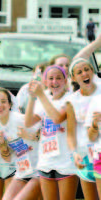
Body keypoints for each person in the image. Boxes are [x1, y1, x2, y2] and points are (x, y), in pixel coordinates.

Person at [25, 65, 78, 200]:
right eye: (51, 78)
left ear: (65, 81)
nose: (54, 82)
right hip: (46, 160)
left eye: (59, 78)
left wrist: (41, 95)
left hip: (66, 161)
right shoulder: (44, 98)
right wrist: (32, 98)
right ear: (45, 82)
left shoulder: (70, 99)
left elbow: (57, 118)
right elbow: (28, 122)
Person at [66, 58, 101, 200]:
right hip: (85, 155)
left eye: (87, 69)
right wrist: (74, 153)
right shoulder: (72, 100)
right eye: (79, 72)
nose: (84, 73)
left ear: (92, 71)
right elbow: (70, 133)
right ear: (73, 78)